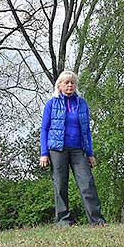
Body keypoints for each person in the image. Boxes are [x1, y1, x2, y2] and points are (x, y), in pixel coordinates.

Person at [40, 70, 106, 226]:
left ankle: (97, 221)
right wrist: (44, 153)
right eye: (66, 82)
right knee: (60, 185)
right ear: (60, 85)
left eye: (72, 82)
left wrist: (90, 153)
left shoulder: (82, 103)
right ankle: (63, 221)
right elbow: (44, 129)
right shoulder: (51, 103)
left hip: (78, 150)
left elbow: (86, 130)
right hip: (57, 149)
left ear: (75, 85)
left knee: (87, 183)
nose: (70, 85)